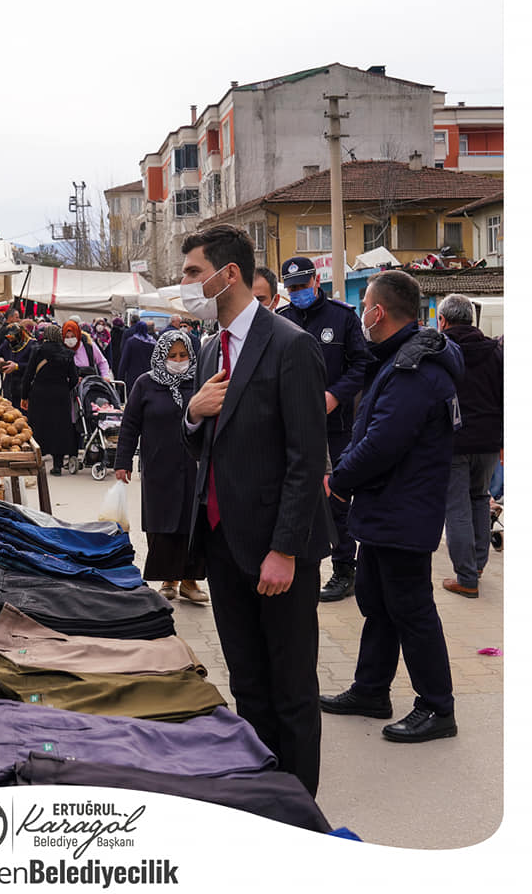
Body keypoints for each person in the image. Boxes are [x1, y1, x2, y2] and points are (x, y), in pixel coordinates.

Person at [181, 225, 329, 798]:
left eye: (195, 273)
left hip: (276, 548)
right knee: (247, 680)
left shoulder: (291, 346)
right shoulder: (206, 348)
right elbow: (204, 444)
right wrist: (192, 414)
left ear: (229, 274)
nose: (189, 284)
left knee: (290, 685)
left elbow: (306, 459)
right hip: (222, 542)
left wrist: (285, 549)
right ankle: (263, 790)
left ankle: (300, 805)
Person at [322, 270, 463, 743]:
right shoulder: (400, 359)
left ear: (377, 312)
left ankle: (437, 707)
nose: (362, 315)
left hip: (404, 509)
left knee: (412, 608)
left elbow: (384, 441)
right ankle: (370, 689)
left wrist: (339, 480)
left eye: (365, 308)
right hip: (388, 508)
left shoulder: (413, 369)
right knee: (378, 602)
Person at [278, 256, 374, 603]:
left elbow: (361, 364)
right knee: (299, 495)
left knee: (338, 498)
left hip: (337, 426)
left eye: (302, 286)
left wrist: (335, 395)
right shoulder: (282, 321)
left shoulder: (342, 318)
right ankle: (302, 561)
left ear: (316, 281)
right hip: (296, 427)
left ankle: (345, 568)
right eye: (291, 288)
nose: (297, 293)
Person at [115, 329, 208, 603]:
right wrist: (122, 462)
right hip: (158, 466)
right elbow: (130, 425)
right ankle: (168, 579)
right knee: (162, 524)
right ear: (161, 356)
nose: (178, 360)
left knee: (191, 523)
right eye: (172, 355)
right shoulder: (145, 384)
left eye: (182, 355)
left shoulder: (200, 382)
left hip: (194, 466)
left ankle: (191, 581)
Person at [435, 294, 503, 598]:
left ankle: (465, 577)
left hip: (455, 440)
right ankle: (476, 566)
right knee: (479, 498)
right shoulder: (495, 351)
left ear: (443, 321)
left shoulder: (440, 350)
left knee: (457, 506)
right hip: (489, 440)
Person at [20, 323, 78, 475]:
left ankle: (36, 461)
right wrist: (65, 388)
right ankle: (57, 465)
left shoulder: (37, 351)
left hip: (40, 394)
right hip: (60, 395)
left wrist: (24, 396)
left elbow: (28, 375)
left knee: (38, 426)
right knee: (59, 428)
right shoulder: (68, 354)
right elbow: (74, 378)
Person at [0, 322, 36, 411]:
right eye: (9, 339)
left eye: (13, 339)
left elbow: (34, 366)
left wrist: (17, 366)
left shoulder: (32, 345)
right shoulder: (7, 343)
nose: (11, 341)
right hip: (9, 386)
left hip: (25, 387)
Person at [117, 319, 155, 388]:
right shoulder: (152, 342)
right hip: (148, 376)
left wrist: (120, 377)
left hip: (133, 376)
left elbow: (124, 360)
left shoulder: (131, 342)